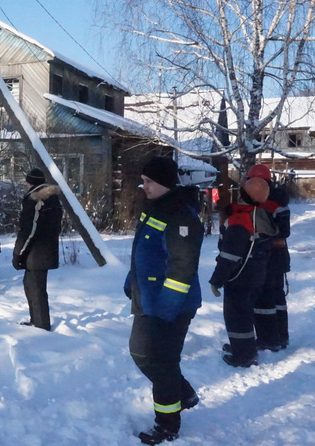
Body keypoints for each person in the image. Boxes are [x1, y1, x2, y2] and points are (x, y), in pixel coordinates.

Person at [124, 156, 204, 445]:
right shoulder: (154, 208)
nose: (143, 186)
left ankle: (167, 425)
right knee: (141, 353)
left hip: (172, 306)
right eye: (143, 181)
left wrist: (165, 310)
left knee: (161, 361)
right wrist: (131, 283)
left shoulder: (182, 216)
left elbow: (182, 268)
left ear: (164, 183)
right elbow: (144, 253)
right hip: (147, 298)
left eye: (148, 182)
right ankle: (182, 393)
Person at [209, 176, 272, 368]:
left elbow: (230, 255)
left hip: (239, 278)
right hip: (255, 274)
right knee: (244, 313)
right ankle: (244, 347)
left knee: (236, 316)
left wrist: (217, 280)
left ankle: (244, 356)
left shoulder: (240, 221)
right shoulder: (259, 215)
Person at [246, 164, 292, 350]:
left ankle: (268, 339)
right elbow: (284, 231)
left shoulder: (261, 200)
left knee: (264, 298)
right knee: (277, 297)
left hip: (266, 255)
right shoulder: (280, 199)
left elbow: (280, 230)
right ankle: (281, 337)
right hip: (279, 255)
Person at [12, 168, 62, 331]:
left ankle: (40, 325)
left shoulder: (35, 200)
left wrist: (18, 253)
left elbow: (28, 230)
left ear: (30, 182)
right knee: (32, 285)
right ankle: (37, 320)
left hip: (35, 252)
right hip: (47, 249)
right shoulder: (53, 199)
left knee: (35, 289)